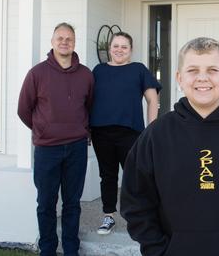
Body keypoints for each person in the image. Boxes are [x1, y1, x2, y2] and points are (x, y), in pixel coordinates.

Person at [120, 37, 219, 256]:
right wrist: (159, 250)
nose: (202, 78)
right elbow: (135, 201)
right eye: (193, 70)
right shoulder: (157, 134)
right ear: (179, 78)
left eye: (212, 69)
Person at [17, 22, 94, 256]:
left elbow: (90, 107)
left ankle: (71, 249)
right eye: (60, 38)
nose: (64, 42)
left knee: (72, 203)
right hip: (47, 149)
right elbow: (23, 109)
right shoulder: (37, 73)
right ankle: (47, 250)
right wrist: (42, 130)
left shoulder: (86, 75)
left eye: (69, 38)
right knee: (46, 204)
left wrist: (81, 129)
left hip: (76, 148)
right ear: (52, 42)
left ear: (74, 42)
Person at [88, 31, 161, 235]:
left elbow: (152, 100)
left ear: (130, 50)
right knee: (108, 175)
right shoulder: (98, 70)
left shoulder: (138, 70)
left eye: (124, 46)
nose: (119, 50)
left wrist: (150, 131)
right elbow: (89, 100)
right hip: (101, 133)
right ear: (109, 48)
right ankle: (108, 216)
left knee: (135, 177)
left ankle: (140, 218)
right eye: (116, 46)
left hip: (130, 132)